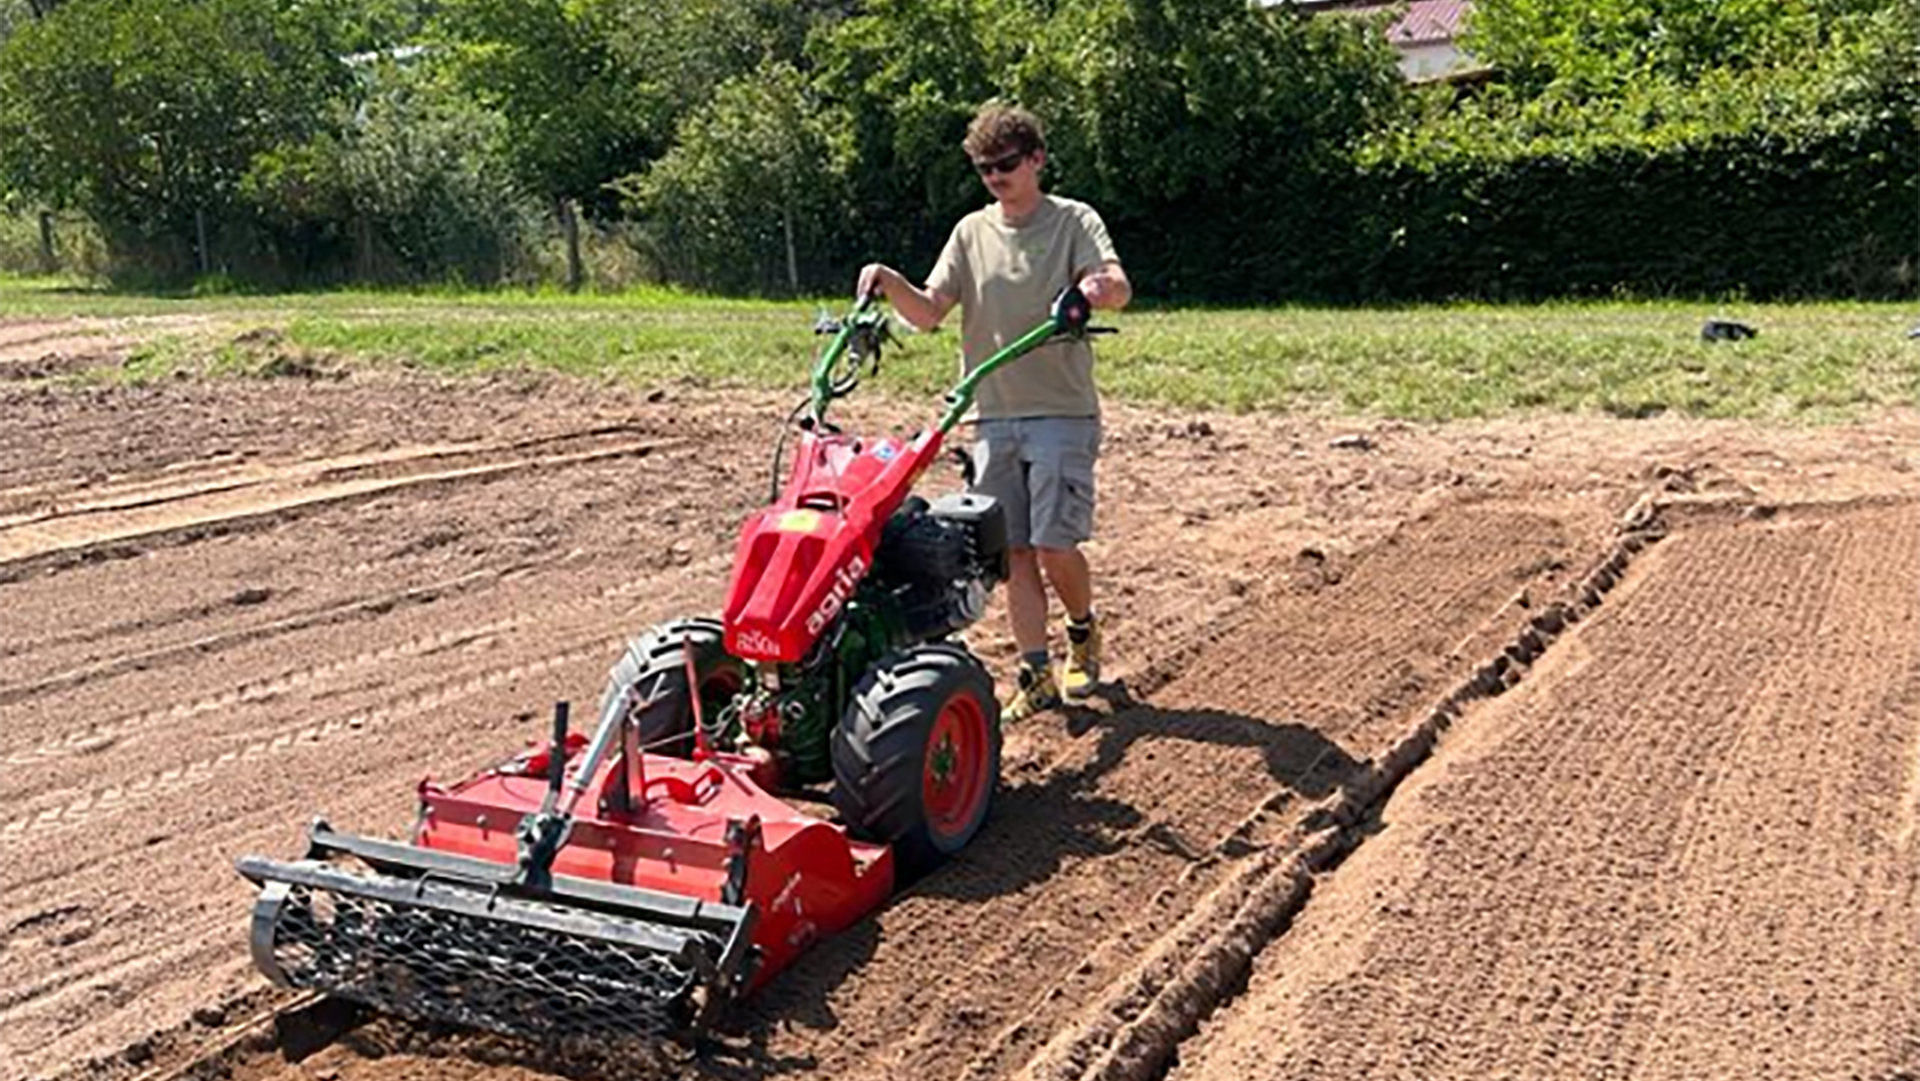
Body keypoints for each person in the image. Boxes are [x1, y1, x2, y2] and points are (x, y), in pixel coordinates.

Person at [856, 101, 1132, 722]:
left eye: (1005, 164)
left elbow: (1116, 283)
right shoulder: (971, 232)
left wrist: (1090, 292)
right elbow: (928, 311)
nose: (994, 176)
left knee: (1057, 544)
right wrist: (886, 278)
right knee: (1013, 553)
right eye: (984, 168)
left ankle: (1082, 631)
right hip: (993, 413)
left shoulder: (1071, 221)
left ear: (1036, 159)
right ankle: (1035, 673)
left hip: (1061, 411)